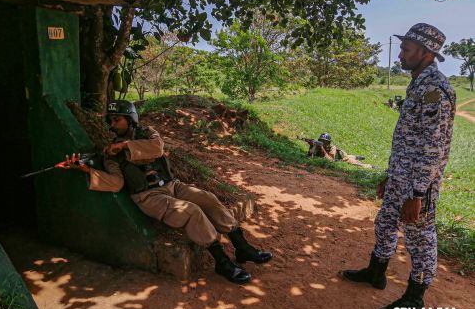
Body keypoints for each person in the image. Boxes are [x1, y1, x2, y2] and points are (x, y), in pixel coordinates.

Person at [61, 100, 272, 284]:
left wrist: (125, 146)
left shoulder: (147, 134)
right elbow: (116, 184)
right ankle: (222, 262)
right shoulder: (111, 154)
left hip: (171, 185)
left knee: (207, 198)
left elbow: (157, 148)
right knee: (191, 211)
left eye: (117, 119)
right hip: (148, 196)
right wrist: (87, 170)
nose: (112, 124)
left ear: (130, 119)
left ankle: (242, 247)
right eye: (111, 121)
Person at [340, 23, 456, 309]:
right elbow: (407, 138)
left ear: (426, 53)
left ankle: (415, 299)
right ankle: (375, 272)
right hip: (400, 176)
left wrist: (418, 194)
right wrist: (390, 175)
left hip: (419, 183)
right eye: (402, 49)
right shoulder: (418, 84)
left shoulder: (435, 89)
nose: (400, 55)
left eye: (406, 50)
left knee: (420, 238)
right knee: (385, 223)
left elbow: (433, 146)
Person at [306, 133, 372, 169]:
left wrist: (322, 148)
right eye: (321, 141)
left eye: (325, 142)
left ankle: (372, 166)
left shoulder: (332, 148)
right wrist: (311, 146)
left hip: (342, 157)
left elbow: (330, 160)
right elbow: (310, 156)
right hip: (340, 155)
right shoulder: (318, 146)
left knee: (356, 163)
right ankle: (355, 156)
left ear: (328, 143)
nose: (323, 143)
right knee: (351, 157)